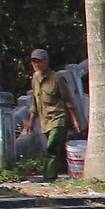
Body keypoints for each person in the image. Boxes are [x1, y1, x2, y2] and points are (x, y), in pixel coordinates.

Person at [29, 49, 79, 177]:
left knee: (51, 149)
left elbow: (68, 100)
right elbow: (35, 103)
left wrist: (74, 120)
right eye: (34, 62)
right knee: (58, 149)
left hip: (58, 119)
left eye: (39, 62)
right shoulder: (35, 80)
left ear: (46, 62)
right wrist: (31, 122)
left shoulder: (57, 79)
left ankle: (48, 177)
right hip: (45, 121)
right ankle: (67, 171)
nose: (36, 65)